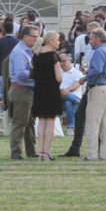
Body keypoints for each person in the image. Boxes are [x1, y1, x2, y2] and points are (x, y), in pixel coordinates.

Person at [84, 27, 106, 160]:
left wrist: (85, 78)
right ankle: (105, 154)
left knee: (92, 124)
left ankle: (92, 155)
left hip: (98, 88)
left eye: (91, 39)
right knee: (105, 125)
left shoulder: (98, 52)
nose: (90, 41)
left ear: (97, 39)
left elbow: (97, 70)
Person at [7, 25, 39, 159]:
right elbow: (21, 74)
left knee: (30, 122)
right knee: (20, 123)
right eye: (34, 36)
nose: (36, 39)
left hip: (28, 90)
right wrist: (38, 74)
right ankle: (16, 153)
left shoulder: (27, 51)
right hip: (21, 90)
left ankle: (31, 151)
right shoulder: (20, 52)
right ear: (25, 37)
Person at [32, 31, 63, 161]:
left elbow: (33, 74)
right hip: (51, 90)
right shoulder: (54, 56)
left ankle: (41, 151)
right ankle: (46, 152)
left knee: (41, 122)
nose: (59, 42)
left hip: (39, 89)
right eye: (57, 40)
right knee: (50, 121)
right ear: (50, 41)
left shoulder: (36, 56)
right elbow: (59, 78)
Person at [58, 53, 85, 135]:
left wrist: (66, 91)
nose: (62, 63)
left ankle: (70, 128)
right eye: (60, 62)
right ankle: (70, 128)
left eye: (64, 61)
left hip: (72, 95)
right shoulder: (58, 72)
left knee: (68, 103)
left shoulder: (77, 73)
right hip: (59, 98)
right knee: (61, 94)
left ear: (70, 60)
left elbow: (76, 85)